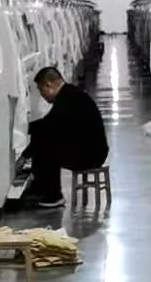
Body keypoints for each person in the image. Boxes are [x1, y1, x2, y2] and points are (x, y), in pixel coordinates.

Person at [21, 66, 107, 209]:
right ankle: (41, 189)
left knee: (47, 148)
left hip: (91, 156)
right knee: (43, 139)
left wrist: (24, 133)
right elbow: (49, 123)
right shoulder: (69, 94)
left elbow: (49, 126)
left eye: (42, 91)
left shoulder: (67, 99)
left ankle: (53, 196)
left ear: (48, 85)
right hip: (92, 149)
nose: (42, 96)